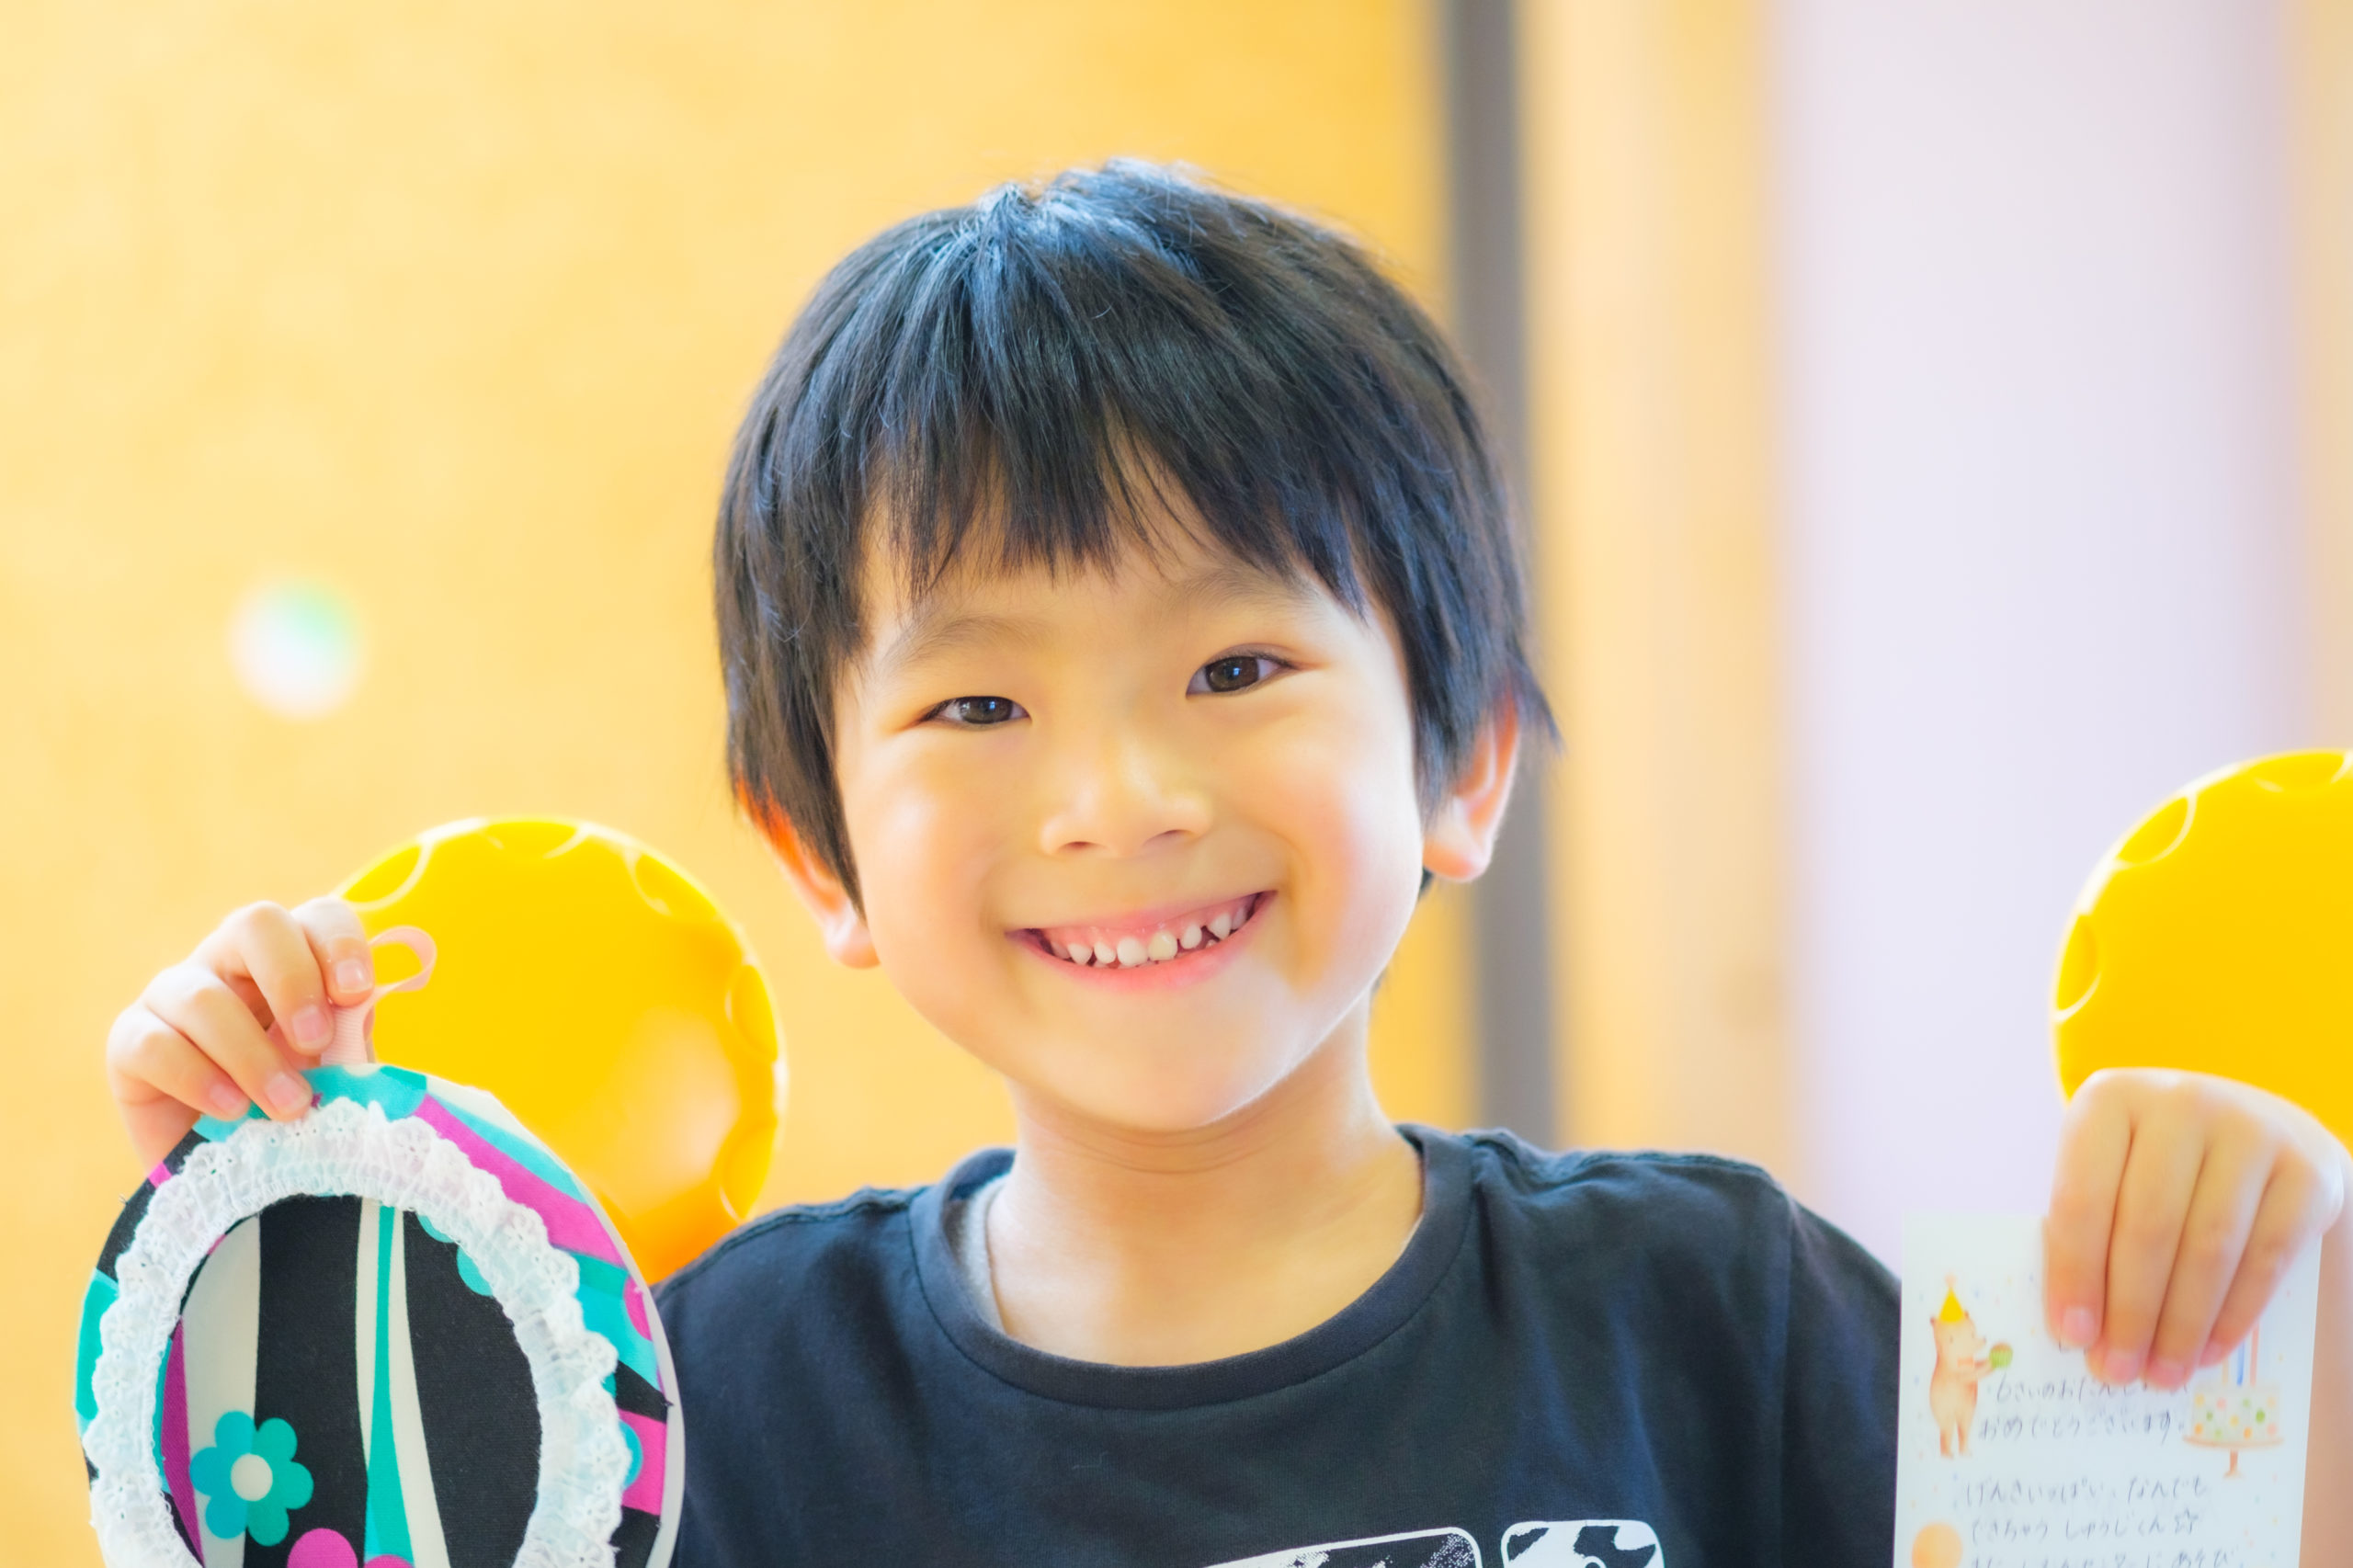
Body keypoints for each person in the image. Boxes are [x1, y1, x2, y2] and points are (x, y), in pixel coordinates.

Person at [106, 163, 2351, 1567]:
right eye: (976, 704)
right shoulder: (712, 1391)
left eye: (1236, 663)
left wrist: (2243, 1300)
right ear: (820, 851)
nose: (1115, 797)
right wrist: (270, 1247)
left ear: (1464, 760)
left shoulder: (1715, 1310)